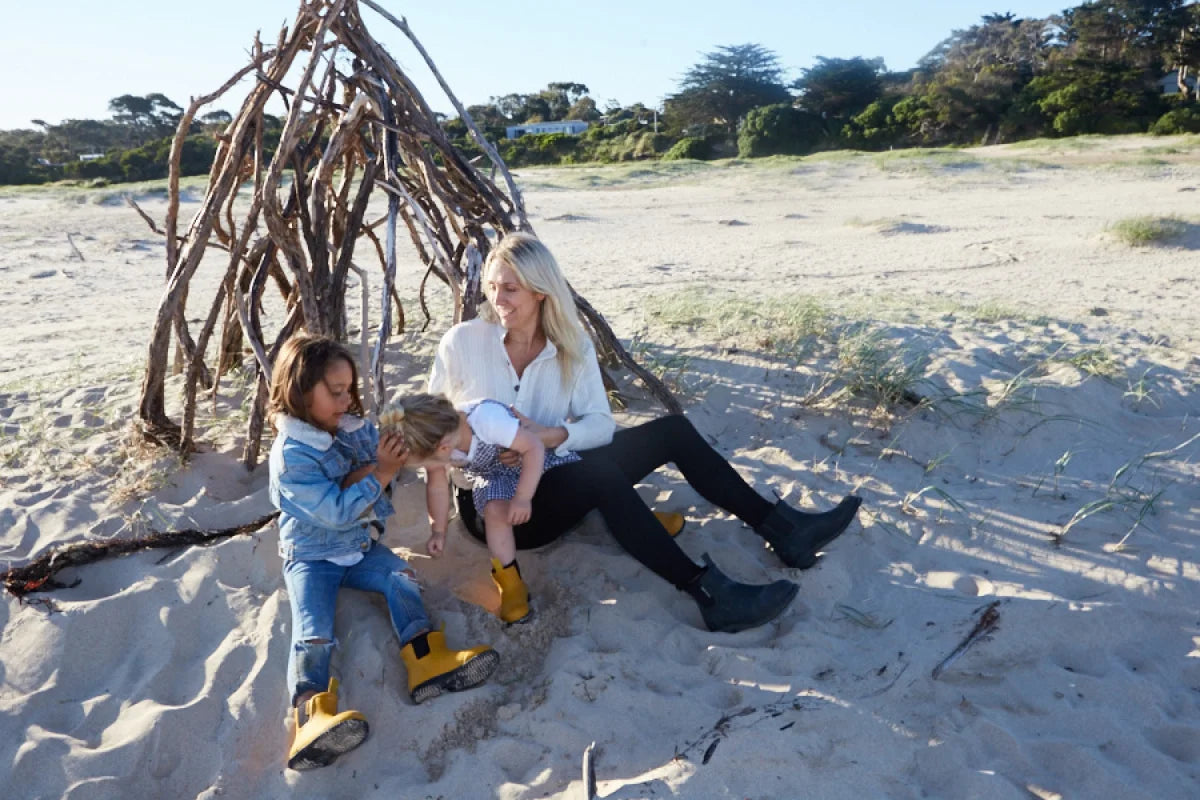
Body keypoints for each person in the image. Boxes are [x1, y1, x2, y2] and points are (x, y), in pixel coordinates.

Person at [428, 232, 862, 634]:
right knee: (600, 475)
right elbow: (428, 427)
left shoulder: (571, 346)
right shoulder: (462, 343)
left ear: (541, 290)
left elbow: (599, 424)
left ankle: (785, 531)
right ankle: (708, 593)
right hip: (498, 508)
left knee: (672, 431)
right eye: (491, 286)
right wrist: (471, 453)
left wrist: (549, 437)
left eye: (510, 289)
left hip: (553, 469)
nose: (497, 299)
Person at [267, 333, 499, 771]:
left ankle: (426, 662)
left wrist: (421, 434)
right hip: (311, 556)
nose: (345, 400)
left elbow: (391, 439)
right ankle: (311, 716)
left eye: (349, 390)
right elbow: (335, 511)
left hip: (360, 547)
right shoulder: (291, 456)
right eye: (334, 392)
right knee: (313, 630)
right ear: (300, 392)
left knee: (402, 578)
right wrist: (384, 470)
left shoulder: (351, 429)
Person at [379, 392, 580, 625]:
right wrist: (439, 530)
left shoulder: (487, 420)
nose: (425, 469)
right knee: (493, 511)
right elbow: (436, 486)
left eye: (423, 465)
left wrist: (523, 498)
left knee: (553, 495)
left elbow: (534, 446)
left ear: (443, 448)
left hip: (532, 465)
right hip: (495, 477)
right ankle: (511, 583)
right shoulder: (439, 441)